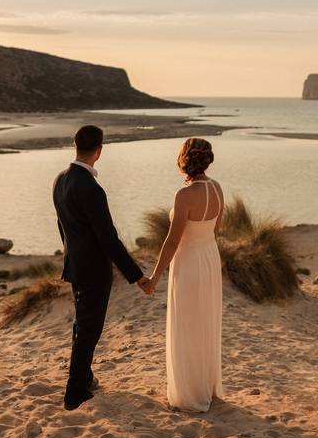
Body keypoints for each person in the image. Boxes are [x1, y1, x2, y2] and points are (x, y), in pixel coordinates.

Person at [52, 125, 152, 411]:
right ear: (100, 150)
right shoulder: (92, 189)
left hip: (75, 265)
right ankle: (74, 393)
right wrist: (138, 277)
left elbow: (63, 226)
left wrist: (71, 255)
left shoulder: (60, 180)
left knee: (83, 325)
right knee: (89, 329)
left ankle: (85, 378)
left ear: (75, 145)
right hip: (93, 271)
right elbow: (108, 239)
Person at [145, 137, 224, 412]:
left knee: (187, 325)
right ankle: (208, 387)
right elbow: (215, 231)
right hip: (210, 259)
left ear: (184, 160)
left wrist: (154, 277)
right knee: (205, 323)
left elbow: (172, 241)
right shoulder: (217, 189)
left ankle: (190, 394)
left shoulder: (184, 195)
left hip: (189, 262)